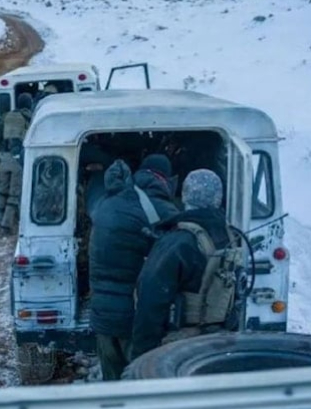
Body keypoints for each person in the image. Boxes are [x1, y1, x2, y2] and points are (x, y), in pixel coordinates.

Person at [130, 169, 240, 360]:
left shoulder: (179, 241)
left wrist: (142, 355)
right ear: (218, 197)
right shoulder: (229, 234)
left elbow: (150, 299)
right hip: (219, 340)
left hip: (180, 344)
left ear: (185, 195)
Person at [87, 154, 179, 380]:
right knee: (140, 383)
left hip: (102, 316)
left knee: (113, 385)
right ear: (164, 179)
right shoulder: (160, 209)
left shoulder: (108, 202)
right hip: (134, 318)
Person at [0, 92, 33, 234]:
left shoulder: (6, 116)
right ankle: (6, 226)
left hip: (4, 157)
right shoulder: (29, 117)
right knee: (14, 194)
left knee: (2, 190)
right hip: (17, 159)